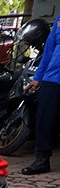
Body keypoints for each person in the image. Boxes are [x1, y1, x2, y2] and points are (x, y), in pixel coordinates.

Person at [22, 14, 60, 175]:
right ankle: (42, 159)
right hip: (53, 77)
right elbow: (49, 50)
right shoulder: (59, 20)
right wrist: (38, 78)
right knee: (45, 117)